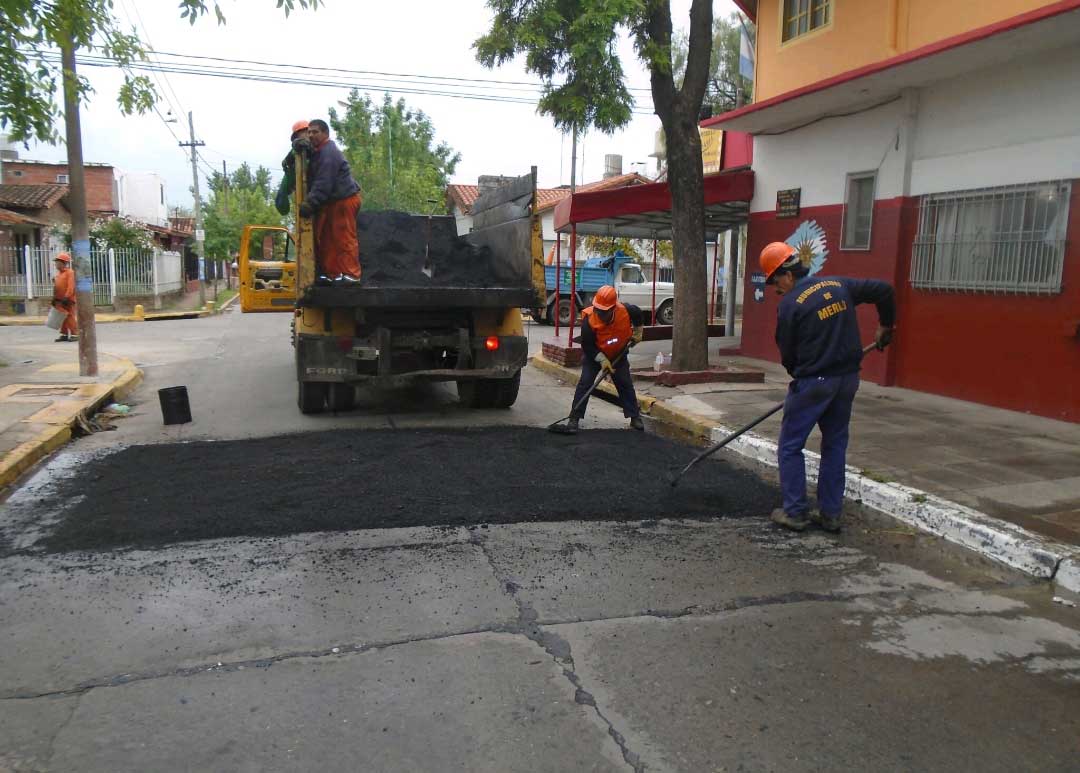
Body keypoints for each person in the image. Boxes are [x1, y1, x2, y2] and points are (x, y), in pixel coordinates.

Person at [759, 241, 896, 533]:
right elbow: (884, 290)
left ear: (788, 274)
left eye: (775, 282)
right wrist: (886, 325)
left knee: (790, 446)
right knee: (834, 445)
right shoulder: (838, 285)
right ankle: (831, 514)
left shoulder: (790, 305)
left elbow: (787, 353)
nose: (776, 289)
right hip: (847, 380)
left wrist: (800, 378)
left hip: (814, 383)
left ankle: (795, 512)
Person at [567, 285, 645, 432]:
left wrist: (638, 332)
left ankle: (635, 417)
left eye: (604, 311)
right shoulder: (589, 320)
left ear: (613, 308)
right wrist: (602, 359)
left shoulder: (626, 310)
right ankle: (574, 417)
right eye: (598, 309)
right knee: (585, 383)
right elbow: (587, 345)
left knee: (625, 383)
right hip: (595, 356)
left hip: (618, 354)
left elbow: (638, 315)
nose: (600, 314)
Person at [299, 119, 362, 283]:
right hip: (332, 202)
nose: (311, 135)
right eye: (309, 132)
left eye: (315, 132)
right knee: (327, 239)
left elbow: (323, 182)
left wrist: (310, 203)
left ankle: (352, 275)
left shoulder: (328, 152)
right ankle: (332, 274)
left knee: (344, 237)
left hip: (344, 200)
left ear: (325, 133)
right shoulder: (319, 152)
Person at [274, 120, 311, 216]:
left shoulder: (318, 148)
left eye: (307, 132)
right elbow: (294, 149)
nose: (306, 135)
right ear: (296, 136)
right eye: (302, 133)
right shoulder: (295, 151)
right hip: (298, 185)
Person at [51, 252, 78, 342]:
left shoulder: (70, 273)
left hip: (67, 300)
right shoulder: (59, 274)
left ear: (63, 263)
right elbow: (56, 287)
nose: (56, 264)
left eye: (57, 262)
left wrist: (66, 297)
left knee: (69, 316)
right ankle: (64, 334)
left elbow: (71, 286)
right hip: (59, 300)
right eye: (56, 262)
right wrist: (54, 298)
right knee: (61, 317)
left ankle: (75, 334)